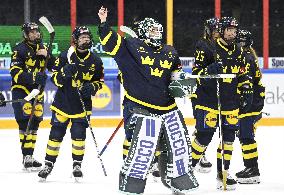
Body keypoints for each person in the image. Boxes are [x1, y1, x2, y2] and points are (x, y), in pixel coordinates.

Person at [98, 6, 198, 195]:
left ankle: (177, 181)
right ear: (144, 31)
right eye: (153, 30)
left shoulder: (170, 51)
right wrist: (104, 24)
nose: (157, 34)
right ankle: (131, 186)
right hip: (139, 106)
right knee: (144, 145)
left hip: (168, 107)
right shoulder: (131, 46)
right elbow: (110, 42)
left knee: (178, 145)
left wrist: (183, 84)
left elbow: (176, 76)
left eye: (159, 30)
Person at [190, 17, 253, 190]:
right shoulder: (207, 47)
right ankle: (187, 169)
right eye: (229, 30)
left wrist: (246, 88)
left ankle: (223, 172)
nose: (232, 33)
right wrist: (208, 70)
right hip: (208, 100)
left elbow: (242, 73)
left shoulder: (239, 51)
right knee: (203, 136)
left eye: (235, 30)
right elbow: (196, 74)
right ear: (223, 30)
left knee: (229, 138)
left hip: (230, 102)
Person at [37, 26, 104, 181]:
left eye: (87, 37)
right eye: (82, 38)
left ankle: (77, 165)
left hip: (82, 106)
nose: (86, 40)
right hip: (63, 103)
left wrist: (91, 87)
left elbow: (99, 82)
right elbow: (54, 80)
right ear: (75, 40)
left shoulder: (96, 60)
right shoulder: (64, 56)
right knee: (55, 135)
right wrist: (64, 72)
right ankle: (48, 165)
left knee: (79, 136)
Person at [10, 22, 54, 171]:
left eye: (37, 32)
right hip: (21, 89)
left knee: (35, 122)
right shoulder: (19, 50)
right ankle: (26, 156)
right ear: (26, 35)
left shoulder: (43, 48)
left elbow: (54, 66)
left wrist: (48, 55)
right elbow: (15, 74)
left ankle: (29, 156)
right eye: (32, 32)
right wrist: (34, 77)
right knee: (24, 121)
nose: (36, 34)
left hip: (37, 91)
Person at [191, 17, 220, 173]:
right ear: (209, 30)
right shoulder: (203, 45)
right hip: (202, 94)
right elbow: (197, 73)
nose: (217, 33)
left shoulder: (220, 45)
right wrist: (210, 70)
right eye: (215, 30)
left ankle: (199, 153)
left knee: (207, 127)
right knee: (203, 127)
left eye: (218, 31)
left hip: (215, 94)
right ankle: (197, 155)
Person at [235, 29, 265, 184]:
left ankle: (253, 170)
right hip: (254, 102)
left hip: (250, 103)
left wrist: (244, 104)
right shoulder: (249, 55)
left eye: (240, 41)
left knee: (246, 136)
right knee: (245, 135)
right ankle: (250, 168)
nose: (237, 43)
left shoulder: (245, 58)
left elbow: (247, 85)